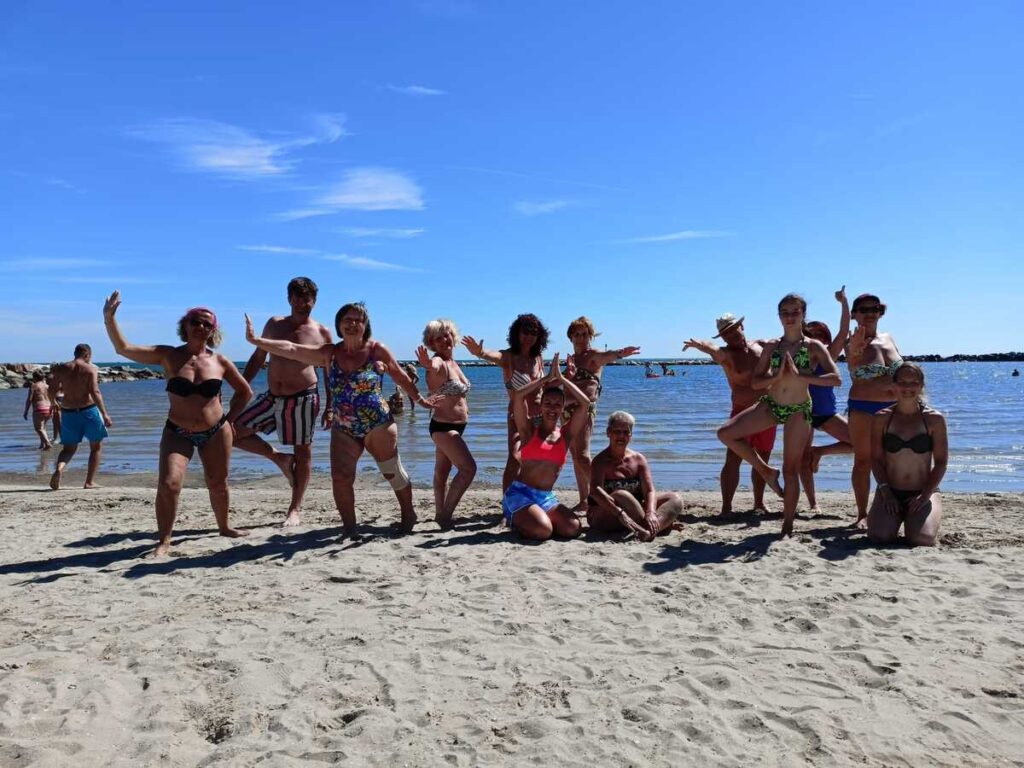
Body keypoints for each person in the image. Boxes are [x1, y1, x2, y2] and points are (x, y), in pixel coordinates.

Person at [245, 302, 433, 536]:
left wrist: (421, 399)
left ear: (366, 325)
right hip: (344, 426)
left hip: (378, 423)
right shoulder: (329, 353)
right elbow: (292, 349)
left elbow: (401, 376)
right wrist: (257, 341)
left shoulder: (376, 350)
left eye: (358, 320)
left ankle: (408, 513)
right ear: (338, 325)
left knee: (391, 472)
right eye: (347, 320)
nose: (353, 324)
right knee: (341, 478)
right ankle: (350, 528)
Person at [103, 291, 252, 557]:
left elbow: (245, 392)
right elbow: (123, 349)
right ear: (185, 325)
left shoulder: (220, 361)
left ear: (213, 330)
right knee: (169, 484)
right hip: (177, 431)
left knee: (218, 483)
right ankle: (164, 540)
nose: (201, 327)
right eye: (196, 321)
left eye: (208, 324)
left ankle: (224, 526)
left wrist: (229, 420)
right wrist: (109, 320)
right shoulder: (167, 356)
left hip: (216, 431)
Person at [716, 295, 841, 537]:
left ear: (803, 314)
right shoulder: (773, 346)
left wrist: (800, 377)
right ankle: (765, 471)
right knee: (726, 433)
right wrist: (776, 377)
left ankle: (787, 526)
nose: (790, 316)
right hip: (772, 404)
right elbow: (755, 382)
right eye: (785, 312)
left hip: (798, 409)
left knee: (790, 469)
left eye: (795, 312)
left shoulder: (813, 347)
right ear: (779, 316)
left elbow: (836, 379)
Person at [233, 277, 332, 526]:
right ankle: (280, 459)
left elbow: (330, 373)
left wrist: (331, 406)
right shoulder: (275, 324)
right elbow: (258, 358)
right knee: (231, 432)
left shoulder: (321, 332)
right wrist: (241, 387)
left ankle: (295, 508)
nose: (302, 302)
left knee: (304, 452)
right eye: (297, 297)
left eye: (307, 298)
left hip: (304, 398)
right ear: (289, 299)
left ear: (315, 301)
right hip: (272, 396)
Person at [683, 314, 776, 514]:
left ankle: (758, 503)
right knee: (733, 459)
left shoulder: (761, 345)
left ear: (742, 325)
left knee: (763, 458)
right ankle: (726, 507)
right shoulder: (726, 355)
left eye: (733, 329)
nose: (730, 335)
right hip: (742, 411)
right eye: (725, 333)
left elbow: (784, 345)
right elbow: (712, 349)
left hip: (767, 411)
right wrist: (699, 345)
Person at [502, 354, 591, 541]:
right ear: (541, 406)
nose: (552, 408)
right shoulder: (528, 430)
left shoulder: (565, 435)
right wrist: (545, 378)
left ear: (562, 408)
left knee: (573, 528)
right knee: (544, 531)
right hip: (520, 493)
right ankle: (515, 518)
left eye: (557, 404)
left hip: (545, 497)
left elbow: (585, 403)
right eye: (548, 403)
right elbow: (518, 396)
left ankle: (535, 518)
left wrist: (562, 379)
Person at [463, 314, 549, 492]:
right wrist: (480, 352)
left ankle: (530, 498)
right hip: (517, 416)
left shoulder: (538, 357)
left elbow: (543, 386)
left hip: (540, 417)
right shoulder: (508, 357)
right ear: (516, 334)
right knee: (515, 459)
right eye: (524, 333)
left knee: (537, 460)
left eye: (533, 333)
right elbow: (492, 355)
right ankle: (508, 506)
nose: (528, 337)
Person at [563, 316, 641, 509]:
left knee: (582, 455)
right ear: (571, 337)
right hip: (566, 410)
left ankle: (605, 495)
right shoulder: (572, 359)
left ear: (591, 336)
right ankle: (584, 501)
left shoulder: (593, 355)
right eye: (577, 334)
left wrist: (620, 353)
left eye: (585, 334)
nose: (581, 338)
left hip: (584, 409)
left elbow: (607, 356)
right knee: (575, 456)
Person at [867, 363, 946, 546]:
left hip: (923, 492)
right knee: (879, 537)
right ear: (893, 385)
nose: (907, 388)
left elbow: (941, 462)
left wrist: (925, 495)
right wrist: (886, 492)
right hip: (890, 491)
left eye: (913, 382)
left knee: (921, 539)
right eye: (902, 382)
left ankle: (922, 517)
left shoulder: (934, 419)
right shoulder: (882, 418)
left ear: (921, 386)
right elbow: (876, 460)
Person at [845, 293, 903, 528]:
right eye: (863, 309)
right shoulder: (853, 341)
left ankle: (892, 507)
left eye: (874, 308)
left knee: (894, 460)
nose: (869, 313)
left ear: (881, 312)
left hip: (894, 408)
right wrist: (855, 351)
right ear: (855, 314)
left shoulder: (888, 338)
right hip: (863, 408)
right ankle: (861, 513)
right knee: (863, 461)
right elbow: (853, 367)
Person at [586, 411, 684, 541]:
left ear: (631, 435)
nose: (621, 436)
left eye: (626, 432)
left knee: (675, 499)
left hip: (635, 512)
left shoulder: (638, 459)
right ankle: (656, 527)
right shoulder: (600, 461)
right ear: (608, 432)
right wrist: (620, 513)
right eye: (617, 432)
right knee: (621, 495)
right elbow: (595, 492)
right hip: (608, 514)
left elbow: (649, 490)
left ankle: (648, 530)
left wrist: (650, 513)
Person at [416, 318, 476, 529]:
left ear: (453, 336)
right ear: (431, 343)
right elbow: (433, 366)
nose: (443, 340)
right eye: (437, 338)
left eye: (446, 335)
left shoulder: (453, 362)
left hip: (456, 426)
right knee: (468, 469)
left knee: (442, 471)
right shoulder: (439, 361)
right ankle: (446, 515)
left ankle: (439, 511)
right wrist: (426, 364)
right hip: (443, 427)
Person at [799, 286, 853, 511]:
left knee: (861, 443)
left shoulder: (828, 355)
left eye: (822, 336)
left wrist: (844, 303)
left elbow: (843, 331)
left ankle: (820, 451)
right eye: (813, 336)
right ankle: (813, 504)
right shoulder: (800, 356)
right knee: (802, 460)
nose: (817, 340)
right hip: (803, 413)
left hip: (826, 413)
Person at [48, 343, 113, 490]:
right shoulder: (91, 369)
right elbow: (95, 392)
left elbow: (52, 388)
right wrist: (105, 414)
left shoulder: (62, 368)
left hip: (69, 412)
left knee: (68, 449)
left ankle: (59, 468)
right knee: (96, 447)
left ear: (75, 353)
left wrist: (53, 403)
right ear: (87, 355)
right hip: (88, 410)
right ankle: (89, 482)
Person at [24, 370, 53, 450]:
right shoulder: (47, 386)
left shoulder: (33, 386)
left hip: (39, 409)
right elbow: (52, 397)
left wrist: (26, 411)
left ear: (34, 377)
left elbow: (29, 399)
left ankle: (47, 444)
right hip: (49, 408)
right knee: (43, 427)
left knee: (38, 428)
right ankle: (42, 444)